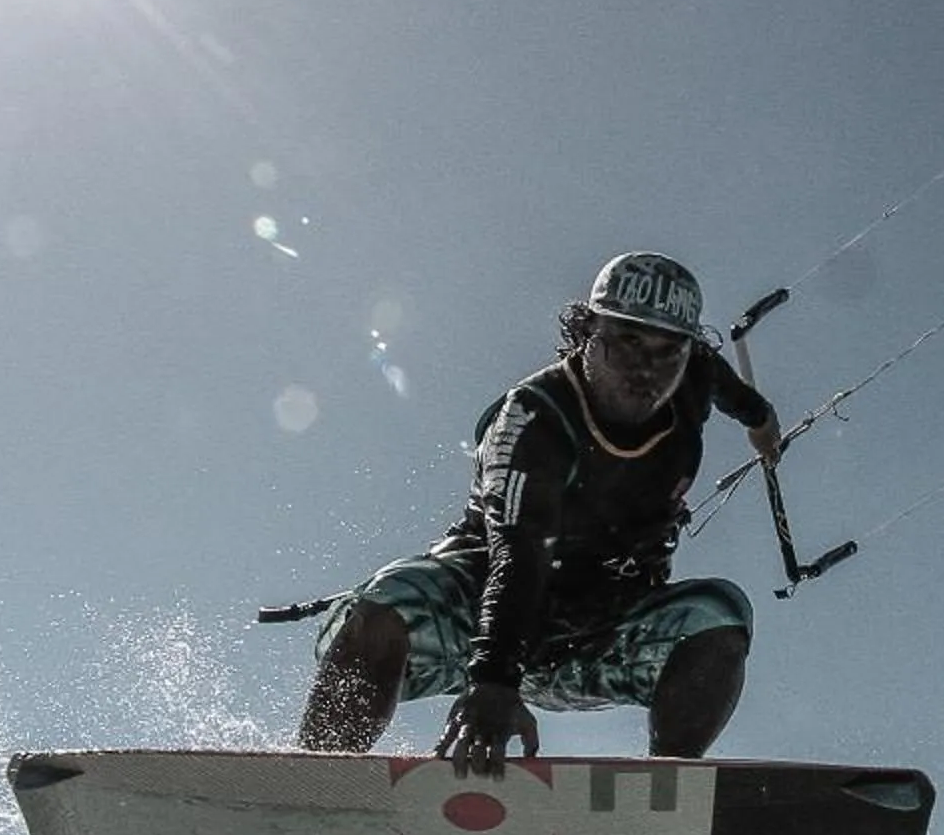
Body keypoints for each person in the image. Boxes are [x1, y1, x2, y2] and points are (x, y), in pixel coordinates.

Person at [297, 252, 784, 775]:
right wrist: (493, 681)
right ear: (588, 332)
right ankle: (315, 781)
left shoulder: (694, 374)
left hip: (598, 630)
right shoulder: (534, 419)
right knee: (383, 606)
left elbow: (737, 396)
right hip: (483, 612)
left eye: (669, 351)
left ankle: (668, 796)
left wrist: (763, 425)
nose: (647, 370)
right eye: (628, 341)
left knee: (720, 615)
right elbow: (521, 554)